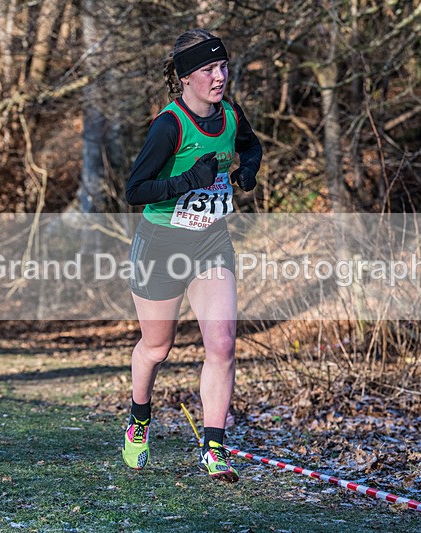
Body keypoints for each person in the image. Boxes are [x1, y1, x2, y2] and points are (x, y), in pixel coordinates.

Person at [121, 28, 262, 482]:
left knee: (221, 345)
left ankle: (214, 448)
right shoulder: (169, 126)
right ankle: (139, 420)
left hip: (209, 243)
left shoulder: (231, 116)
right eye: (208, 70)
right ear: (186, 78)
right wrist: (186, 182)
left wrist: (249, 171)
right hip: (160, 247)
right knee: (157, 348)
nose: (220, 77)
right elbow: (134, 190)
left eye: (223, 67)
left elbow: (252, 146)